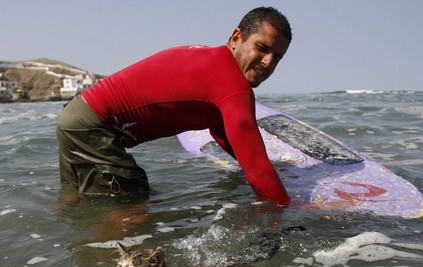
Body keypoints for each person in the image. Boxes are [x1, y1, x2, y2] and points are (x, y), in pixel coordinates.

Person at [56, 6, 293, 206]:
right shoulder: (232, 85)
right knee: (130, 213)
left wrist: (262, 166)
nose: (268, 62)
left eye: (278, 57)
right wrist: (296, 210)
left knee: (78, 202)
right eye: (262, 48)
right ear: (236, 38)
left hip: (76, 119)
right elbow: (259, 173)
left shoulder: (214, 62)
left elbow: (220, 130)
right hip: (93, 129)